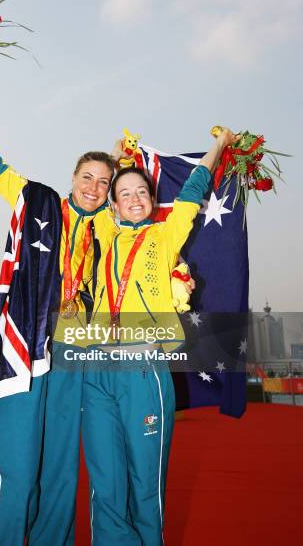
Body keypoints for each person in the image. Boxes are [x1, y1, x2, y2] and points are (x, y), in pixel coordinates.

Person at [0, 64, 193, 545]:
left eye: (103, 183)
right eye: (87, 177)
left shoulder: (109, 228)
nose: (94, 187)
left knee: (62, 473)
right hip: (24, 347)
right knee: (20, 471)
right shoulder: (40, 203)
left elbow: (145, 240)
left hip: (72, 358)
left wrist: (174, 276)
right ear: (72, 178)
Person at [81, 128, 236, 545]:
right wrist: (115, 160)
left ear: (152, 202)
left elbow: (193, 189)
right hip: (96, 373)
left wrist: (218, 147)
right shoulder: (106, 234)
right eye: (125, 193)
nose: (134, 198)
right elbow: (89, 198)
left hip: (144, 371)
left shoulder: (165, 235)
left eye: (142, 193)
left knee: (144, 482)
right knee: (105, 483)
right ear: (114, 203)